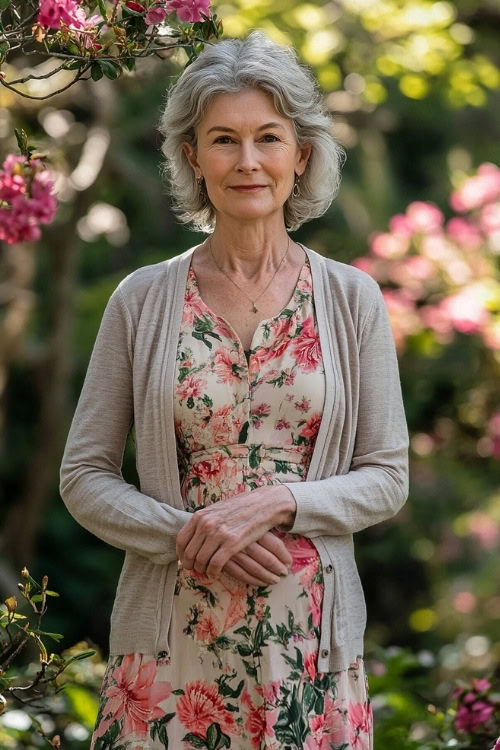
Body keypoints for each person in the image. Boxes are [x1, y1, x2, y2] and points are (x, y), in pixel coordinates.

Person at [59, 29, 409, 750]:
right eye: (223, 139)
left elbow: (388, 476)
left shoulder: (352, 299)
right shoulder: (141, 299)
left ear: (301, 153)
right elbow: (84, 476)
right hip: (168, 652)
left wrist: (282, 501)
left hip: (311, 655)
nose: (248, 161)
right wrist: (192, 536)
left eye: (269, 138)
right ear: (192, 155)